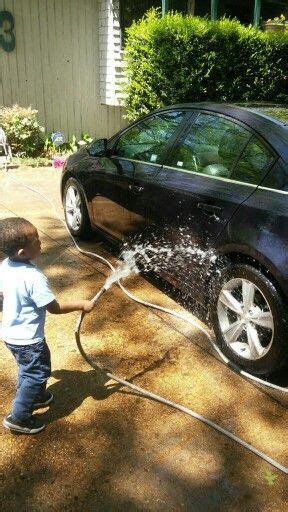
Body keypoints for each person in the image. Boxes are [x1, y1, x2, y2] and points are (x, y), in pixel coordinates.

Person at [0, 217, 95, 434]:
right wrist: (82, 304)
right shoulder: (33, 277)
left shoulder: (5, 266)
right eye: (36, 239)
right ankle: (19, 417)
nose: (41, 241)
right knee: (35, 373)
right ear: (23, 252)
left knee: (29, 369)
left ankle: (37, 396)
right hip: (29, 340)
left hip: (11, 336)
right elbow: (54, 307)